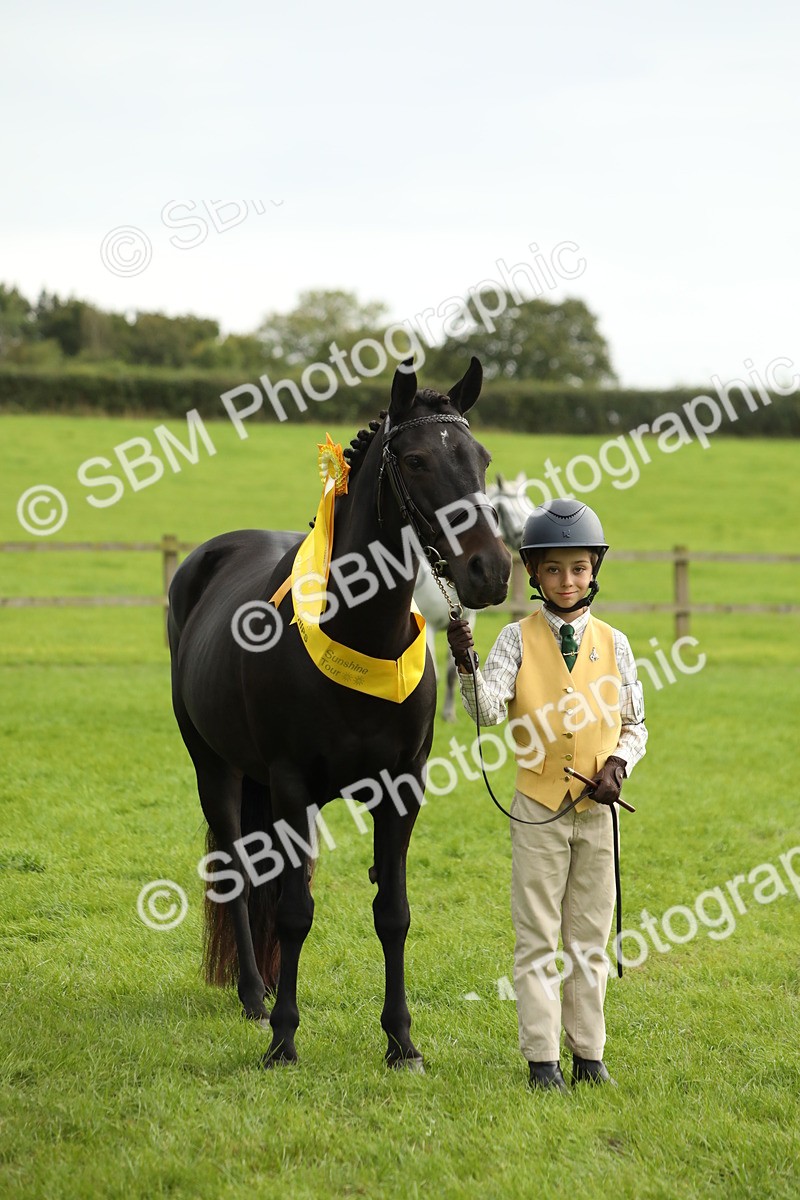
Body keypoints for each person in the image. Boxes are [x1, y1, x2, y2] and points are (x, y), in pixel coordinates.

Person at [447, 498, 647, 1092]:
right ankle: (542, 1059)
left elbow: (635, 725)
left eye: (578, 568)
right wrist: (466, 663)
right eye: (554, 570)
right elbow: (487, 710)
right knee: (537, 933)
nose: (567, 581)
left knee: (590, 934)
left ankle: (589, 1054)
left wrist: (619, 764)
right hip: (537, 808)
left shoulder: (616, 643)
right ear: (533, 572)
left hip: (598, 812)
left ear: (594, 569)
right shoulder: (515, 639)